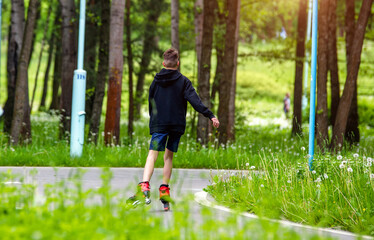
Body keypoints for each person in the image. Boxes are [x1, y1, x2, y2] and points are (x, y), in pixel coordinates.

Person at [127, 48, 220, 211]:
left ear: (163, 63)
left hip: (160, 123)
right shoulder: (183, 81)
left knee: (152, 154)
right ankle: (164, 190)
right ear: (178, 63)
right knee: (168, 157)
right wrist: (210, 115)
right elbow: (195, 101)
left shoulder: (156, 81)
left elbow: (151, 101)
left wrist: (153, 120)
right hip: (176, 125)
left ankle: (144, 187)